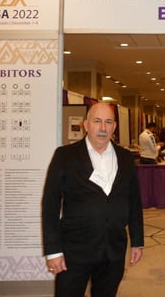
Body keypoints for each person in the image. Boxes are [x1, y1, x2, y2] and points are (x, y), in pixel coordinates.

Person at [41, 102, 144, 297]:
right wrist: (53, 251)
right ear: (86, 125)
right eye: (97, 121)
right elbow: (50, 206)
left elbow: (134, 202)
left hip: (113, 250)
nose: (103, 128)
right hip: (74, 251)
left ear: (114, 127)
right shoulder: (65, 155)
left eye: (108, 122)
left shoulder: (125, 158)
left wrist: (137, 241)